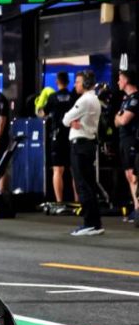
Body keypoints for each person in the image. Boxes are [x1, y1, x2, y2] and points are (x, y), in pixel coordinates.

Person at [63, 70, 103, 236]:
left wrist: (71, 121)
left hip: (80, 145)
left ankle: (89, 223)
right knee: (89, 184)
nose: (75, 85)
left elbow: (66, 119)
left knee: (83, 185)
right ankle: (95, 223)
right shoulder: (94, 99)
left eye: (78, 82)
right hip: (87, 144)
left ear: (86, 83)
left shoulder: (85, 100)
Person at [39, 72, 77, 204]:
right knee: (74, 169)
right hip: (72, 135)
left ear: (57, 82)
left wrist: (39, 105)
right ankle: (77, 201)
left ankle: (59, 201)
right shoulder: (73, 97)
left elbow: (42, 113)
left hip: (57, 136)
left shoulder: (53, 97)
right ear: (68, 82)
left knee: (57, 169)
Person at [113, 69, 139, 223]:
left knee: (134, 176)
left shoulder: (136, 99)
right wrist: (119, 117)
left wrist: (119, 116)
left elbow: (123, 120)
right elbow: (116, 122)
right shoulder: (125, 99)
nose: (118, 82)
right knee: (129, 175)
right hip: (123, 140)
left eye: (120, 79)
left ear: (127, 80)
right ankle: (136, 208)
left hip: (133, 140)